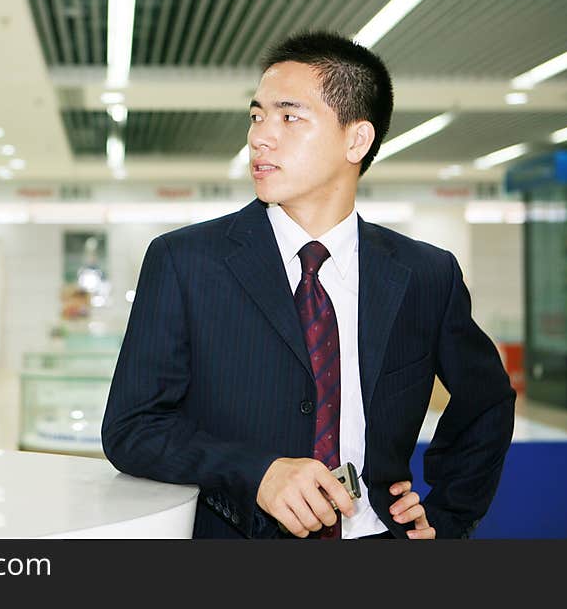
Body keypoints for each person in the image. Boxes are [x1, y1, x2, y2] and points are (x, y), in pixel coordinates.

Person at [101, 30, 515, 539]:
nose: (260, 136)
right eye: (257, 116)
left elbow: (487, 400)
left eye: (289, 117)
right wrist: (257, 473)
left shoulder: (425, 275)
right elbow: (133, 429)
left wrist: (449, 516)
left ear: (356, 140)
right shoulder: (186, 262)